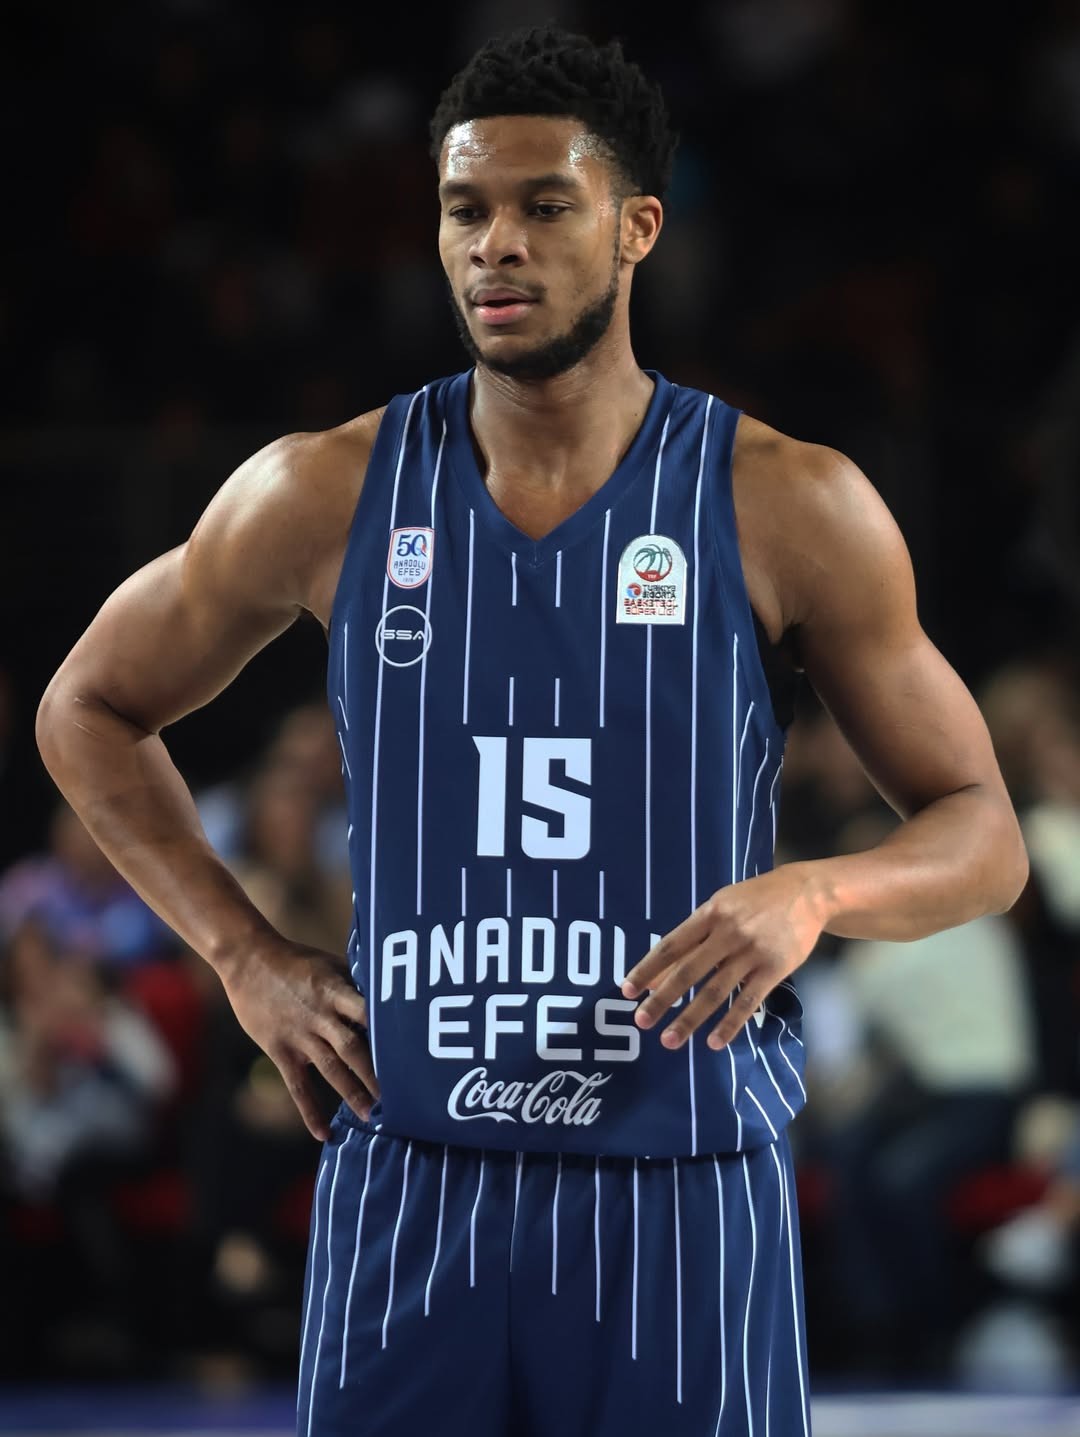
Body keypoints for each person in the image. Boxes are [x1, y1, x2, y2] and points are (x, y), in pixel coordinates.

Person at [36, 25, 1029, 1437]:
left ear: (636, 229)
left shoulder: (784, 500)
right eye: (465, 209)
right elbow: (85, 706)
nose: (495, 243)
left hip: (680, 1189)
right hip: (415, 1179)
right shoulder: (323, 491)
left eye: (544, 206)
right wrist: (245, 955)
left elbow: (985, 835)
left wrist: (815, 892)